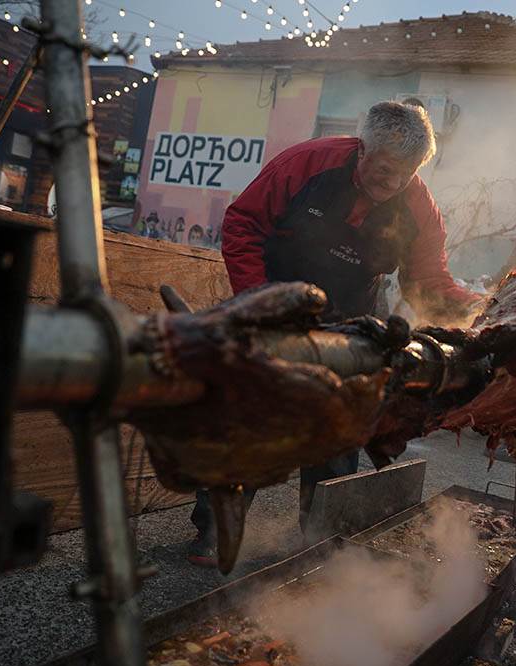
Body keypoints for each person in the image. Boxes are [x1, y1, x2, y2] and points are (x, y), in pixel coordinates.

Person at [187, 101, 480, 566]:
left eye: (403, 174)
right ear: (362, 149)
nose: (391, 182)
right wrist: (260, 301)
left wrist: (485, 309)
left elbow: (430, 284)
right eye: (384, 168)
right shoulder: (305, 164)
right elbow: (243, 224)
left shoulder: (418, 208)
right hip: (273, 306)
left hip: (349, 323)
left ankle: (322, 543)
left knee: (336, 434)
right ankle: (216, 535)